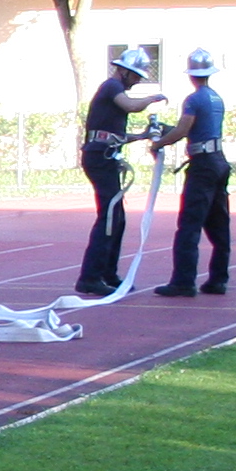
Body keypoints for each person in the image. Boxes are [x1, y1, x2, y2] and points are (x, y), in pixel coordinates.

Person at [74, 47, 164, 296]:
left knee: (117, 218)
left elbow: (115, 135)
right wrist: (152, 99)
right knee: (109, 217)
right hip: (99, 157)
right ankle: (90, 277)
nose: (136, 81)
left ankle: (107, 273)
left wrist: (142, 136)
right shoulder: (112, 87)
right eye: (135, 76)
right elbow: (131, 106)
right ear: (123, 71)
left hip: (106, 156)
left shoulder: (115, 90)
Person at [151, 47, 232, 297]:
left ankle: (183, 281)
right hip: (218, 160)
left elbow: (183, 129)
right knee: (218, 223)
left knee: (189, 224)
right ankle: (218, 279)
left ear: (191, 75)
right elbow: (198, 128)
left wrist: (158, 143)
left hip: (203, 165)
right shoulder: (216, 98)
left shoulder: (193, 100)